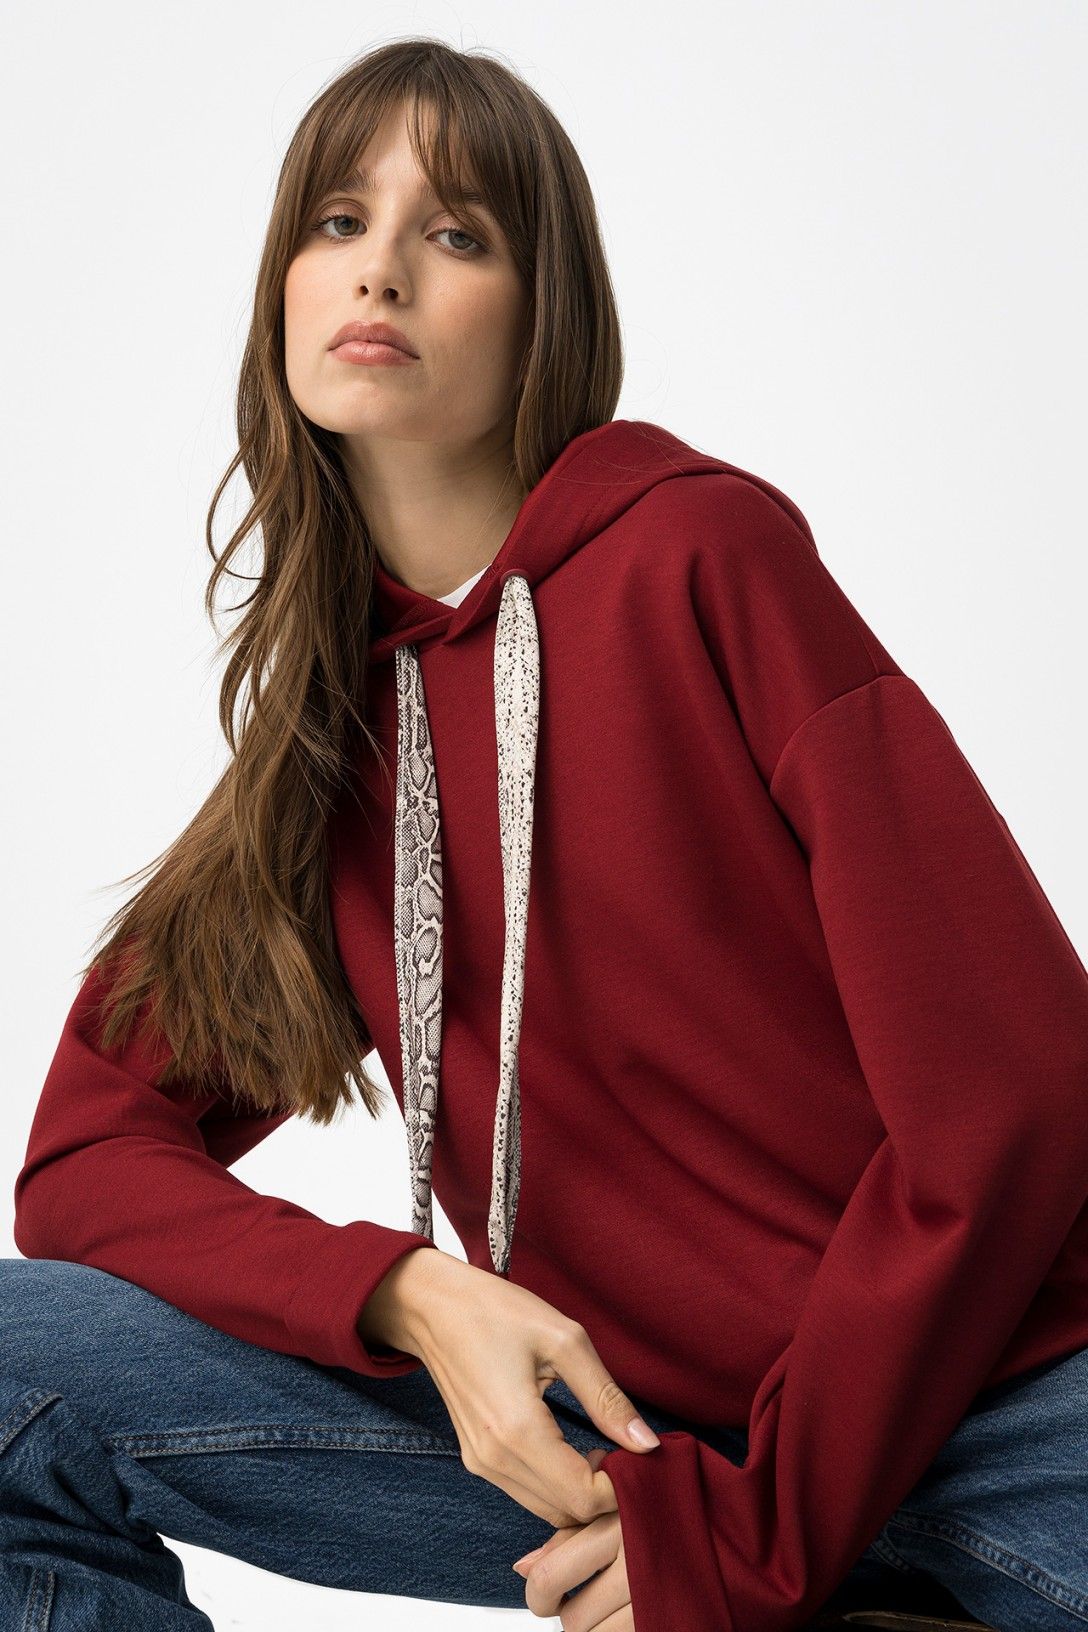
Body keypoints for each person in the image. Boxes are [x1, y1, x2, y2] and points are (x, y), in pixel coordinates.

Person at [6, 35, 1088, 1632]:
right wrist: (408, 1294)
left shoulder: (702, 559)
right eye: (336, 221)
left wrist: (756, 1549)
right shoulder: (333, 737)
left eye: (456, 234)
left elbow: (1017, 1096)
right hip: (633, 1446)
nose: (379, 269)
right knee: (16, 1369)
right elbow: (84, 1162)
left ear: (543, 316)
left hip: (995, 1411)